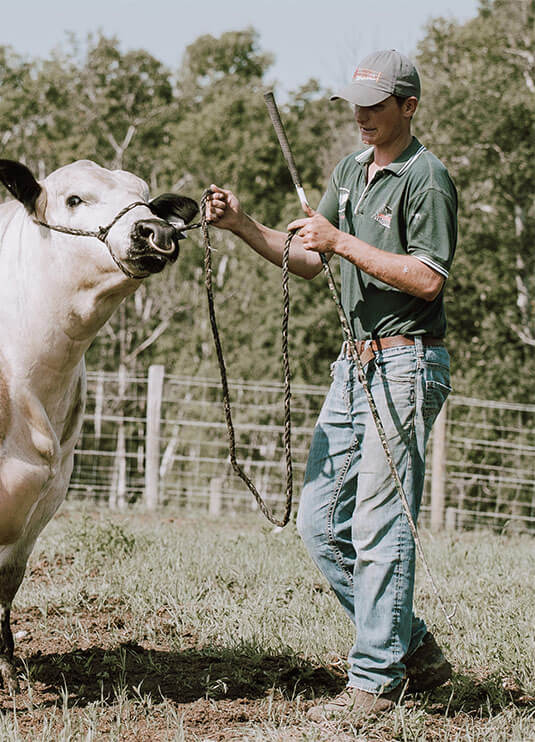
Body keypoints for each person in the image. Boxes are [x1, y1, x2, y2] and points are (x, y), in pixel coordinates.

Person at [204, 49, 457, 723]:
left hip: (405, 363)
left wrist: (341, 242)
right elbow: (308, 258)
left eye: (377, 104)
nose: (362, 115)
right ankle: (416, 651)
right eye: (357, 103)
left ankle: (373, 685)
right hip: (354, 364)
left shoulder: (424, 179)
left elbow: (427, 278)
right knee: (319, 526)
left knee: (377, 524)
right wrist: (241, 225)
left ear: (408, 106)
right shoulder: (349, 171)